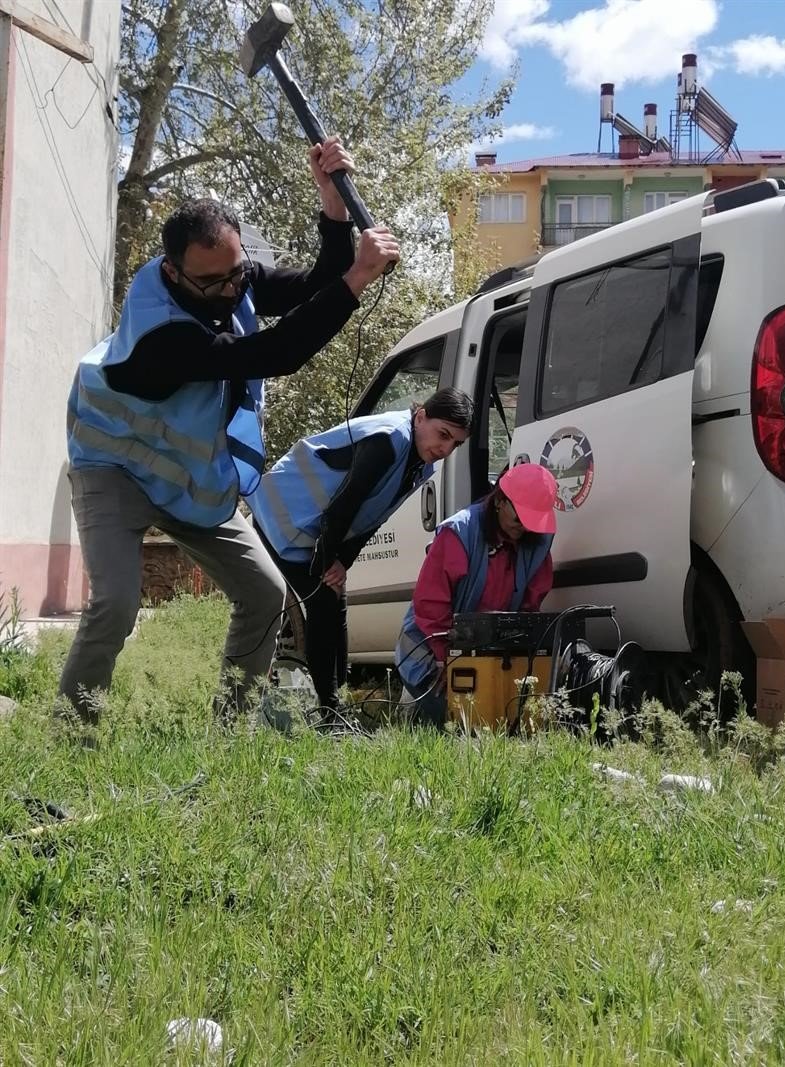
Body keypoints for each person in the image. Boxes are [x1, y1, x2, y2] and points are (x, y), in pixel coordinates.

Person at [59, 137, 400, 725]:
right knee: (116, 602)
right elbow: (277, 351)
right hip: (114, 468)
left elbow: (310, 286)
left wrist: (333, 210)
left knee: (266, 594)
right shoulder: (164, 334)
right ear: (173, 272)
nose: (230, 292)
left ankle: (229, 729)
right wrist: (358, 279)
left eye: (237, 275)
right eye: (212, 284)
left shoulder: (228, 275)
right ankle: (72, 728)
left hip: (187, 478)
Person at [249, 388, 474, 720]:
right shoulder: (389, 439)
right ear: (421, 416)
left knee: (333, 603)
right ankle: (330, 713)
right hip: (280, 515)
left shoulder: (418, 463)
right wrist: (330, 562)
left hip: (312, 527)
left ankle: (334, 708)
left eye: (455, 443)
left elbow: (373, 517)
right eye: (443, 434)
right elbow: (345, 504)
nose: (445, 448)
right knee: (324, 601)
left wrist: (343, 563)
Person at [395, 463, 558, 729]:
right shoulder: (458, 534)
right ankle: (413, 709)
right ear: (500, 502)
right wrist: (446, 659)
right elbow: (430, 604)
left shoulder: (537, 541)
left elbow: (531, 605)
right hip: (429, 652)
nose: (526, 528)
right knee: (461, 725)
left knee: (502, 725)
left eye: (533, 522)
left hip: (486, 654)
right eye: (520, 519)